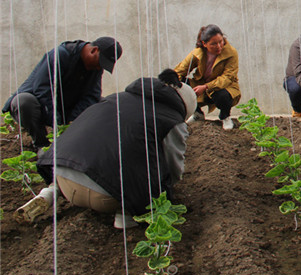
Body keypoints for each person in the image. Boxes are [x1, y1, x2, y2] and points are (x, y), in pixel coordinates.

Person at [16, 69, 196, 229]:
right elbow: (173, 166)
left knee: (103, 152)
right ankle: (126, 216)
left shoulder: (116, 98)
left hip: (62, 172)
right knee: (145, 176)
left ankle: (50, 192)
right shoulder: (172, 120)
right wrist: (164, 190)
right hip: (103, 195)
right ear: (185, 108)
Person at [2, 37, 122, 150]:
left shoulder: (95, 67)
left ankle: (89, 144)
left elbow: (91, 96)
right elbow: (43, 90)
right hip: (41, 105)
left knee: (105, 104)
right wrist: (57, 122)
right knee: (24, 101)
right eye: (100, 62)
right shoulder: (61, 55)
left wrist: (72, 122)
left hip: (65, 107)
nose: (99, 67)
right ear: (94, 50)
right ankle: (41, 145)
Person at [174, 25, 241, 131]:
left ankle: (225, 117)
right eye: (213, 44)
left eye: (221, 41)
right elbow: (181, 70)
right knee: (179, 84)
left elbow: (227, 77)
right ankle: (197, 114)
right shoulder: (197, 53)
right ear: (204, 44)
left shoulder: (231, 53)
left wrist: (206, 87)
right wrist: (173, 83)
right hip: (201, 85)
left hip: (223, 87)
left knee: (222, 95)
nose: (219, 46)